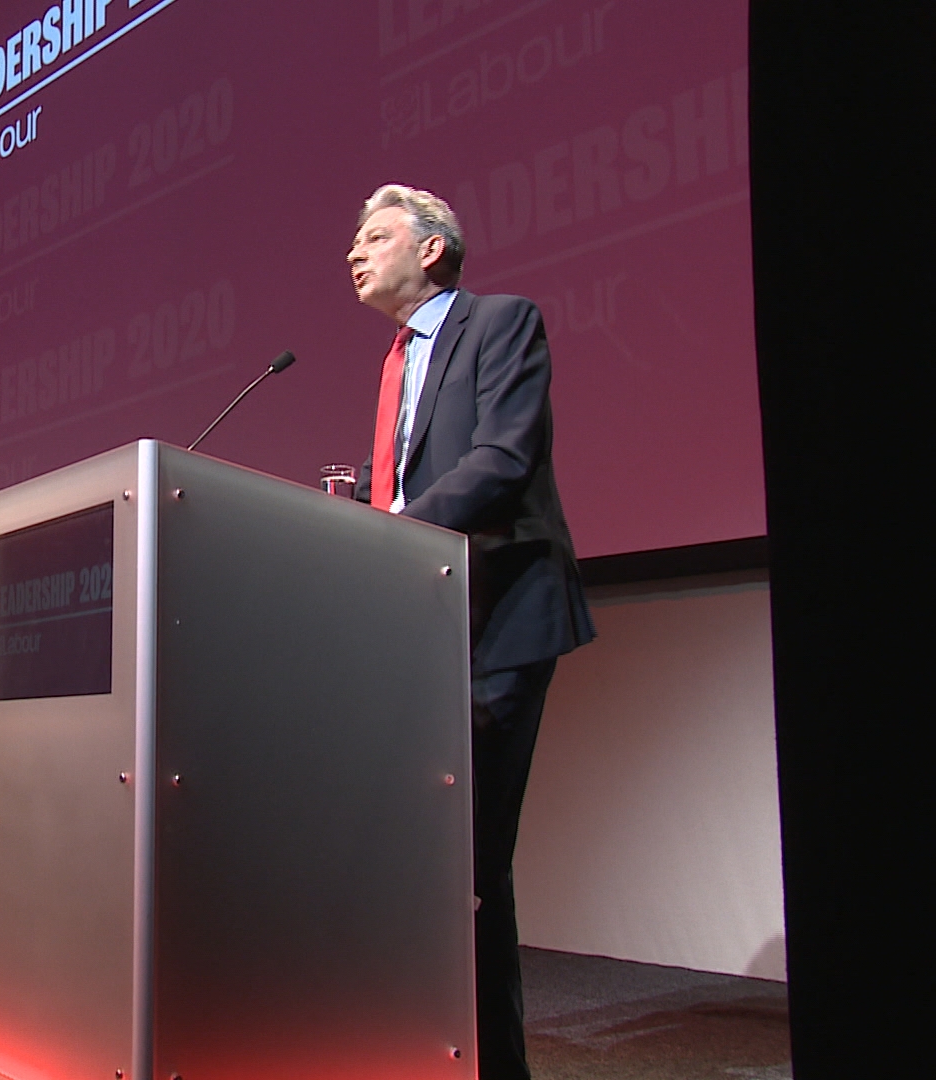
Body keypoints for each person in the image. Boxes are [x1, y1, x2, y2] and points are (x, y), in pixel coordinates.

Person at [346, 184, 595, 1080]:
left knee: (474, 867)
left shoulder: (501, 323)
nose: (355, 252)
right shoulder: (391, 366)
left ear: (435, 250)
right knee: (423, 866)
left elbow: (504, 457)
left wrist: (389, 531)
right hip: (424, 626)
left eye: (376, 236)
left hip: (501, 619)